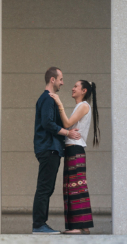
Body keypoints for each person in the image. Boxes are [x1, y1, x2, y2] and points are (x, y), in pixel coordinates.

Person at [32, 67, 81, 234]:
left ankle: (40, 224)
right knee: (45, 187)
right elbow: (48, 124)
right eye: (60, 79)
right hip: (48, 148)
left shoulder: (49, 99)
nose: (63, 82)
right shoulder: (47, 99)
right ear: (52, 80)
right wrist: (68, 133)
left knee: (47, 187)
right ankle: (39, 225)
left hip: (50, 148)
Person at [49, 80, 100, 234]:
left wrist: (59, 102)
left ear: (84, 90)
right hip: (74, 150)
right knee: (76, 186)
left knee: (75, 187)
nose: (72, 88)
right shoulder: (81, 106)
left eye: (76, 86)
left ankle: (77, 227)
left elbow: (67, 123)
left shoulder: (84, 105)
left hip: (75, 150)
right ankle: (82, 225)